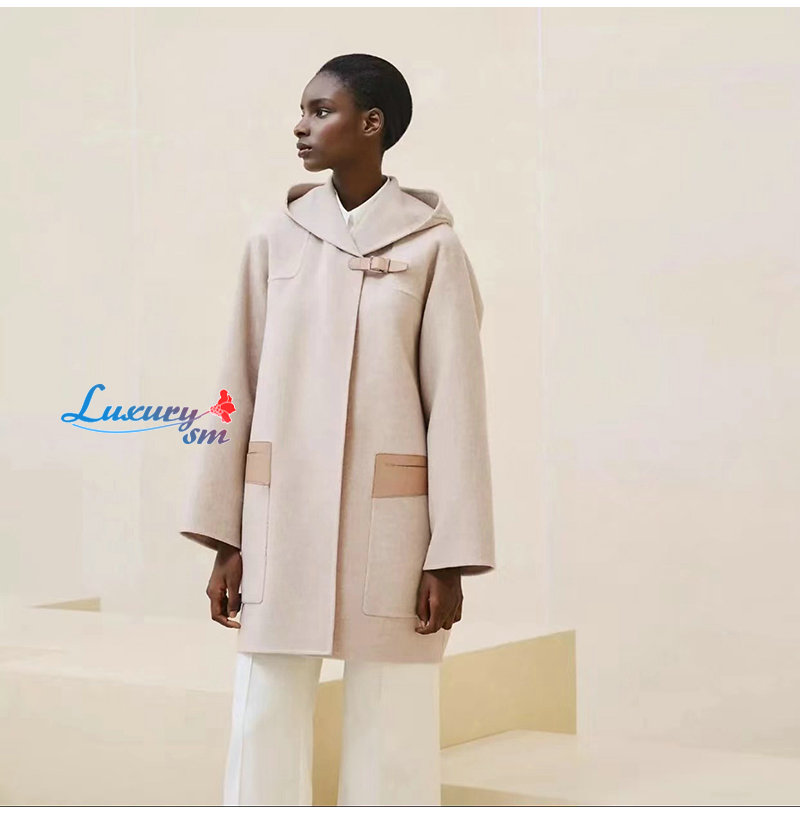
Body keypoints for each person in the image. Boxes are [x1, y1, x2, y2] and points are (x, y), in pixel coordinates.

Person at [179, 53, 495, 806]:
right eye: (303, 110)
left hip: (393, 524)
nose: (301, 125)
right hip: (278, 514)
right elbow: (234, 386)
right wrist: (226, 535)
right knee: (262, 718)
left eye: (321, 111)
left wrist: (451, 555)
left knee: (394, 728)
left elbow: (457, 406)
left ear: (372, 124)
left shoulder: (433, 247)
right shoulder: (274, 239)